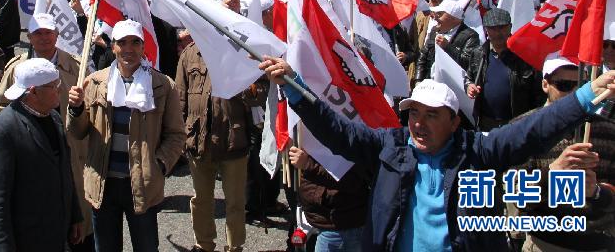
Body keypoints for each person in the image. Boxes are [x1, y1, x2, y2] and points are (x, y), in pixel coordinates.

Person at [258, 56, 615, 251]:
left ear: (454, 122)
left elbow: (531, 131)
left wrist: (583, 98)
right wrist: (293, 85)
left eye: (431, 115)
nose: (419, 124)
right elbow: (337, 131)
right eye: (414, 112)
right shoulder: (390, 147)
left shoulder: (479, 152)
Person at [67, 20, 185, 252]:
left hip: (142, 183)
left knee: (146, 247)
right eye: (122, 42)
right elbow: (78, 132)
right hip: (104, 183)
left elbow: (176, 134)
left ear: (143, 47)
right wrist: (76, 109)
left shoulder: (162, 86)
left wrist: (159, 164)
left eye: (135, 42)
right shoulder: (95, 82)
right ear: (113, 47)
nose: (128, 48)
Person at [0, 14, 93, 249]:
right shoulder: (16, 69)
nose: (44, 38)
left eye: (48, 32)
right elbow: (0, 105)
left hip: (72, 156)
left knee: (77, 223)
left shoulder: (77, 65)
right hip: (31, 156)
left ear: (57, 35)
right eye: (38, 33)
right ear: (29, 37)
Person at [513, 55, 615, 251]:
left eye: (581, 85)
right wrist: (552, 173)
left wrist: (597, 192)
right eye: (564, 84)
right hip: (545, 243)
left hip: (599, 243)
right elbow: (516, 196)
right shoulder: (523, 130)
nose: (574, 92)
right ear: (545, 85)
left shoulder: (609, 131)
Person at [0, 58, 83, 252]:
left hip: (56, 234)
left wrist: (74, 215)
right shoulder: (1, 130)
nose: (60, 90)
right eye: (54, 86)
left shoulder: (54, 118)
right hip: (25, 238)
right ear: (33, 91)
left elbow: (64, 171)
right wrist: (1, 247)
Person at [175, 38, 267, 252]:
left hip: (233, 140)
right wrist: (179, 135)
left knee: (235, 202)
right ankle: (204, 244)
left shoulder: (240, 50)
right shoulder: (189, 53)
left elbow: (260, 92)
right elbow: (179, 98)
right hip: (198, 140)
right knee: (201, 199)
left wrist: (248, 86)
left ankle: (235, 246)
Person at [466, 8, 543, 129]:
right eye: (492, 28)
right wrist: (469, 86)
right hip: (485, 122)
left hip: (517, 124)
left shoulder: (525, 56)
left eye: (501, 27)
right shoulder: (478, 54)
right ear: (486, 29)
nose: (497, 33)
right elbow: (469, 78)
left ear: (510, 27)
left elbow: (539, 93)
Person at [415, 0, 481, 84]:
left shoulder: (470, 36)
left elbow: (468, 63)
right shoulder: (434, 30)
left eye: (439, 14)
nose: (435, 17)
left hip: (452, 88)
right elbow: (423, 56)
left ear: (452, 18)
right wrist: (418, 80)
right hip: (430, 85)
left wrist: (448, 47)